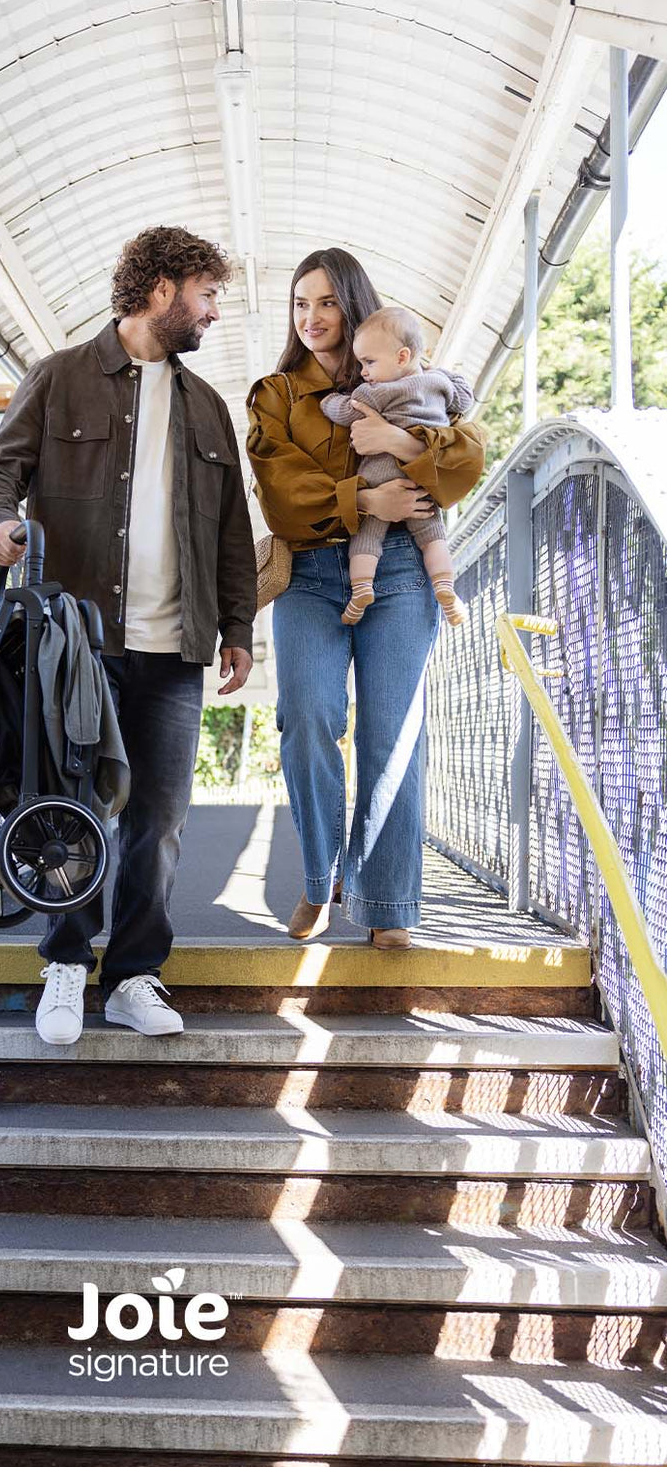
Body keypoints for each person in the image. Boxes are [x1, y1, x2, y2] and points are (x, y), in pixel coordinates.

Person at [0, 225, 256, 1044]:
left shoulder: (206, 406)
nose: (212, 314)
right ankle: (63, 965)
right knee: (70, 806)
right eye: (206, 295)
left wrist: (237, 624)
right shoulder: (60, 379)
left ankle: (133, 976)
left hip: (174, 645)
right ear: (161, 291)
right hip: (75, 646)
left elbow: (232, 530)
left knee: (157, 817)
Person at [246, 248, 485, 949]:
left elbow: (466, 457)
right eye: (300, 303)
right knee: (309, 719)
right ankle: (322, 879)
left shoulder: (403, 371)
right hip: (311, 577)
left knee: (394, 737)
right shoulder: (275, 393)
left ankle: (386, 903)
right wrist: (365, 496)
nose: (312, 317)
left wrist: (395, 444)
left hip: (405, 574)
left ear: (352, 306)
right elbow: (281, 496)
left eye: (325, 302)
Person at [320, 305, 474, 628]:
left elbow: (345, 411)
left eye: (369, 362)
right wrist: (444, 373)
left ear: (402, 357)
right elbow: (464, 398)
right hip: (421, 480)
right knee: (433, 535)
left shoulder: (376, 392)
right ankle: (445, 587)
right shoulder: (438, 384)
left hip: (379, 478)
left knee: (366, 537)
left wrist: (326, 401)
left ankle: (361, 591)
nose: (363, 371)